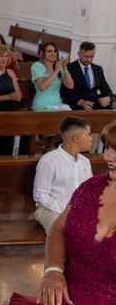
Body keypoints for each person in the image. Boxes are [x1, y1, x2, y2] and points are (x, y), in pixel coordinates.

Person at [37, 120, 116, 305]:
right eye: (107, 148)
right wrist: (54, 270)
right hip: (64, 297)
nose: (107, 157)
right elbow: (58, 228)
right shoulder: (90, 187)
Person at [33, 117, 93, 234]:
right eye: (88, 135)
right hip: (51, 210)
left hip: (78, 210)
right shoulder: (49, 161)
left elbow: (89, 190)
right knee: (64, 230)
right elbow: (40, 195)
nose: (91, 139)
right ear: (76, 138)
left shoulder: (85, 162)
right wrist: (66, 209)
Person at [63, 41, 114, 110]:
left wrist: (108, 98)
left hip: (95, 104)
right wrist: (81, 102)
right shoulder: (69, 68)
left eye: (91, 56)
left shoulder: (98, 69)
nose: (89, 59)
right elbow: (65, 92)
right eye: (86, 56)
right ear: (79, 54)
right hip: (77, 105)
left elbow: (106, 89)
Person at [31, 42, 73, 111]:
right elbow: (42, 87)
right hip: (42, 106)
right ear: (42, 54)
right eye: (49, 51)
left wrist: (64, 68)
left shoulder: (58, 66)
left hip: (58, 104)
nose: (53, 54)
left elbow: (70, 86)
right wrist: (56, 71)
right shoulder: (37, 66)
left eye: (55, 51)